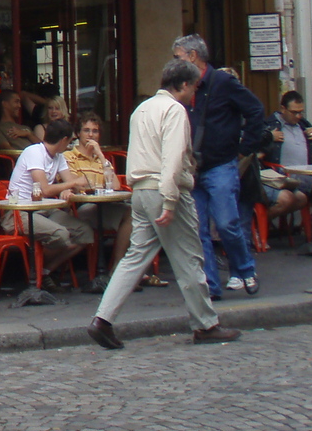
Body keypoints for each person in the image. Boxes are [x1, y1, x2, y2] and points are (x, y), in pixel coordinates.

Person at [87, 59, 241, 349]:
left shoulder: (141, 110)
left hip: (141, 190)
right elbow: (171, 160)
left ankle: (102, 319)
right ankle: (206, 324)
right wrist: (170, 201)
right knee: (190, 258)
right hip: (164, 189)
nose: (195, 92)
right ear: (183, 85)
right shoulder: (174, 111)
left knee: (134, 258)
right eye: (194, 86)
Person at [171, 34, 265, 299]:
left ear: (192, 56)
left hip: (220, 164)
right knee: (198, 231)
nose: (175, 62)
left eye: (178, 56)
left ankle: (245, 269)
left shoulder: (223, 82)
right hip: (193, 167)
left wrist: (245, 148)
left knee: (226, 224)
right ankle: (210, 286)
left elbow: (256, 110)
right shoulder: (185, 86)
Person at [0, 118, 93, 278]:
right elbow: (45, 190)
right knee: (61, 235)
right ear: (64, 140)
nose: (70, 145)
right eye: (70, 141)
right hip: (19, 212)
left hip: (45, 209)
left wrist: (74, 186)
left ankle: (44, 271)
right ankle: (33, 270)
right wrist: (70, 184)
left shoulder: (59, 157)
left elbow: (72, 182)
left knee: (85, 233)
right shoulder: (34, 152)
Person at [65, 111, 132, 275]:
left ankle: (117, 265)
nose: (90, 135)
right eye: (86, 130)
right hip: (81, 207)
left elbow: (115, 185)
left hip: (102, 206)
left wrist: (101, 155)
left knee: (132, 213)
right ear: (78, 133)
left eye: (95, 131)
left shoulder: (101, 159)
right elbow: (76, 184)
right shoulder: (69, 156)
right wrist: (93, 185)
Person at [259, 91, 312, 225]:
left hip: (302, 180)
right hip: (278, 179)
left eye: (301, 112)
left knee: (306, 196)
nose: (298, 116)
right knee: (288, 199)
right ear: (283, 109)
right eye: (294, 112)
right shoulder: (270, 125)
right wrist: (269, 137)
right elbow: (257, 145)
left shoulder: (302, 123)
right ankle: (260, 224)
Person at [0, 88, 36, 154]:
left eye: (20, 102)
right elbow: (9, 150)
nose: (19, 106)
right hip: (24, 163)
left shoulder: (26, 128)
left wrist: (28, 134)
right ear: (4, 104)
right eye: (16, 102)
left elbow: (44, 148)